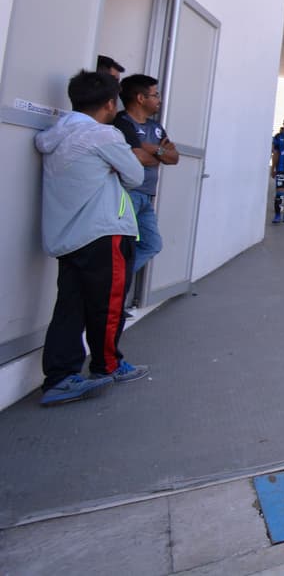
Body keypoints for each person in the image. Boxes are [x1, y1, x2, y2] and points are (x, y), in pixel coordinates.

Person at [36, 71, 149, 406]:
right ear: (110, 104)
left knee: (68, 309)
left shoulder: (55, 135)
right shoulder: (104, 135)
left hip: (67, 236)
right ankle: (108, 366)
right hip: (103, 233)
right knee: (108, 307)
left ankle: (60, 378)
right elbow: (136, 175)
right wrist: (115, 166)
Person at [113, 74, 178, 302]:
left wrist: (154, 150)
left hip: (147, 197)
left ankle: (115, 282)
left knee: (152, 244)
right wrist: (158, 153)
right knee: (123, 248)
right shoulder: (121, 122)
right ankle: (113, 293)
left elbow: (174, 157)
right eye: (155, 95)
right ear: (140, 98)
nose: (159, 99)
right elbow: (136, 157)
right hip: (127, 194)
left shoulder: (156, 127)